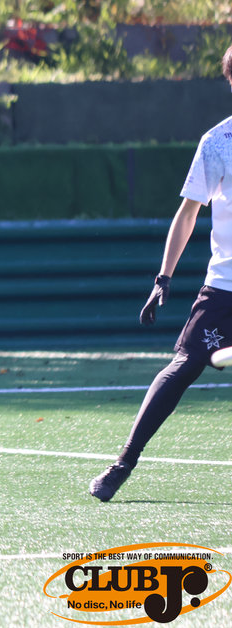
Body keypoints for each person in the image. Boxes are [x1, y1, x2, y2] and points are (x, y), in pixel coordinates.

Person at [89, 44, 232, 502]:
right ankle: (123, 464)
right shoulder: (218, 142)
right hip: (226, 287)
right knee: (184, 366)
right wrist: (163, 278)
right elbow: (188, 214)